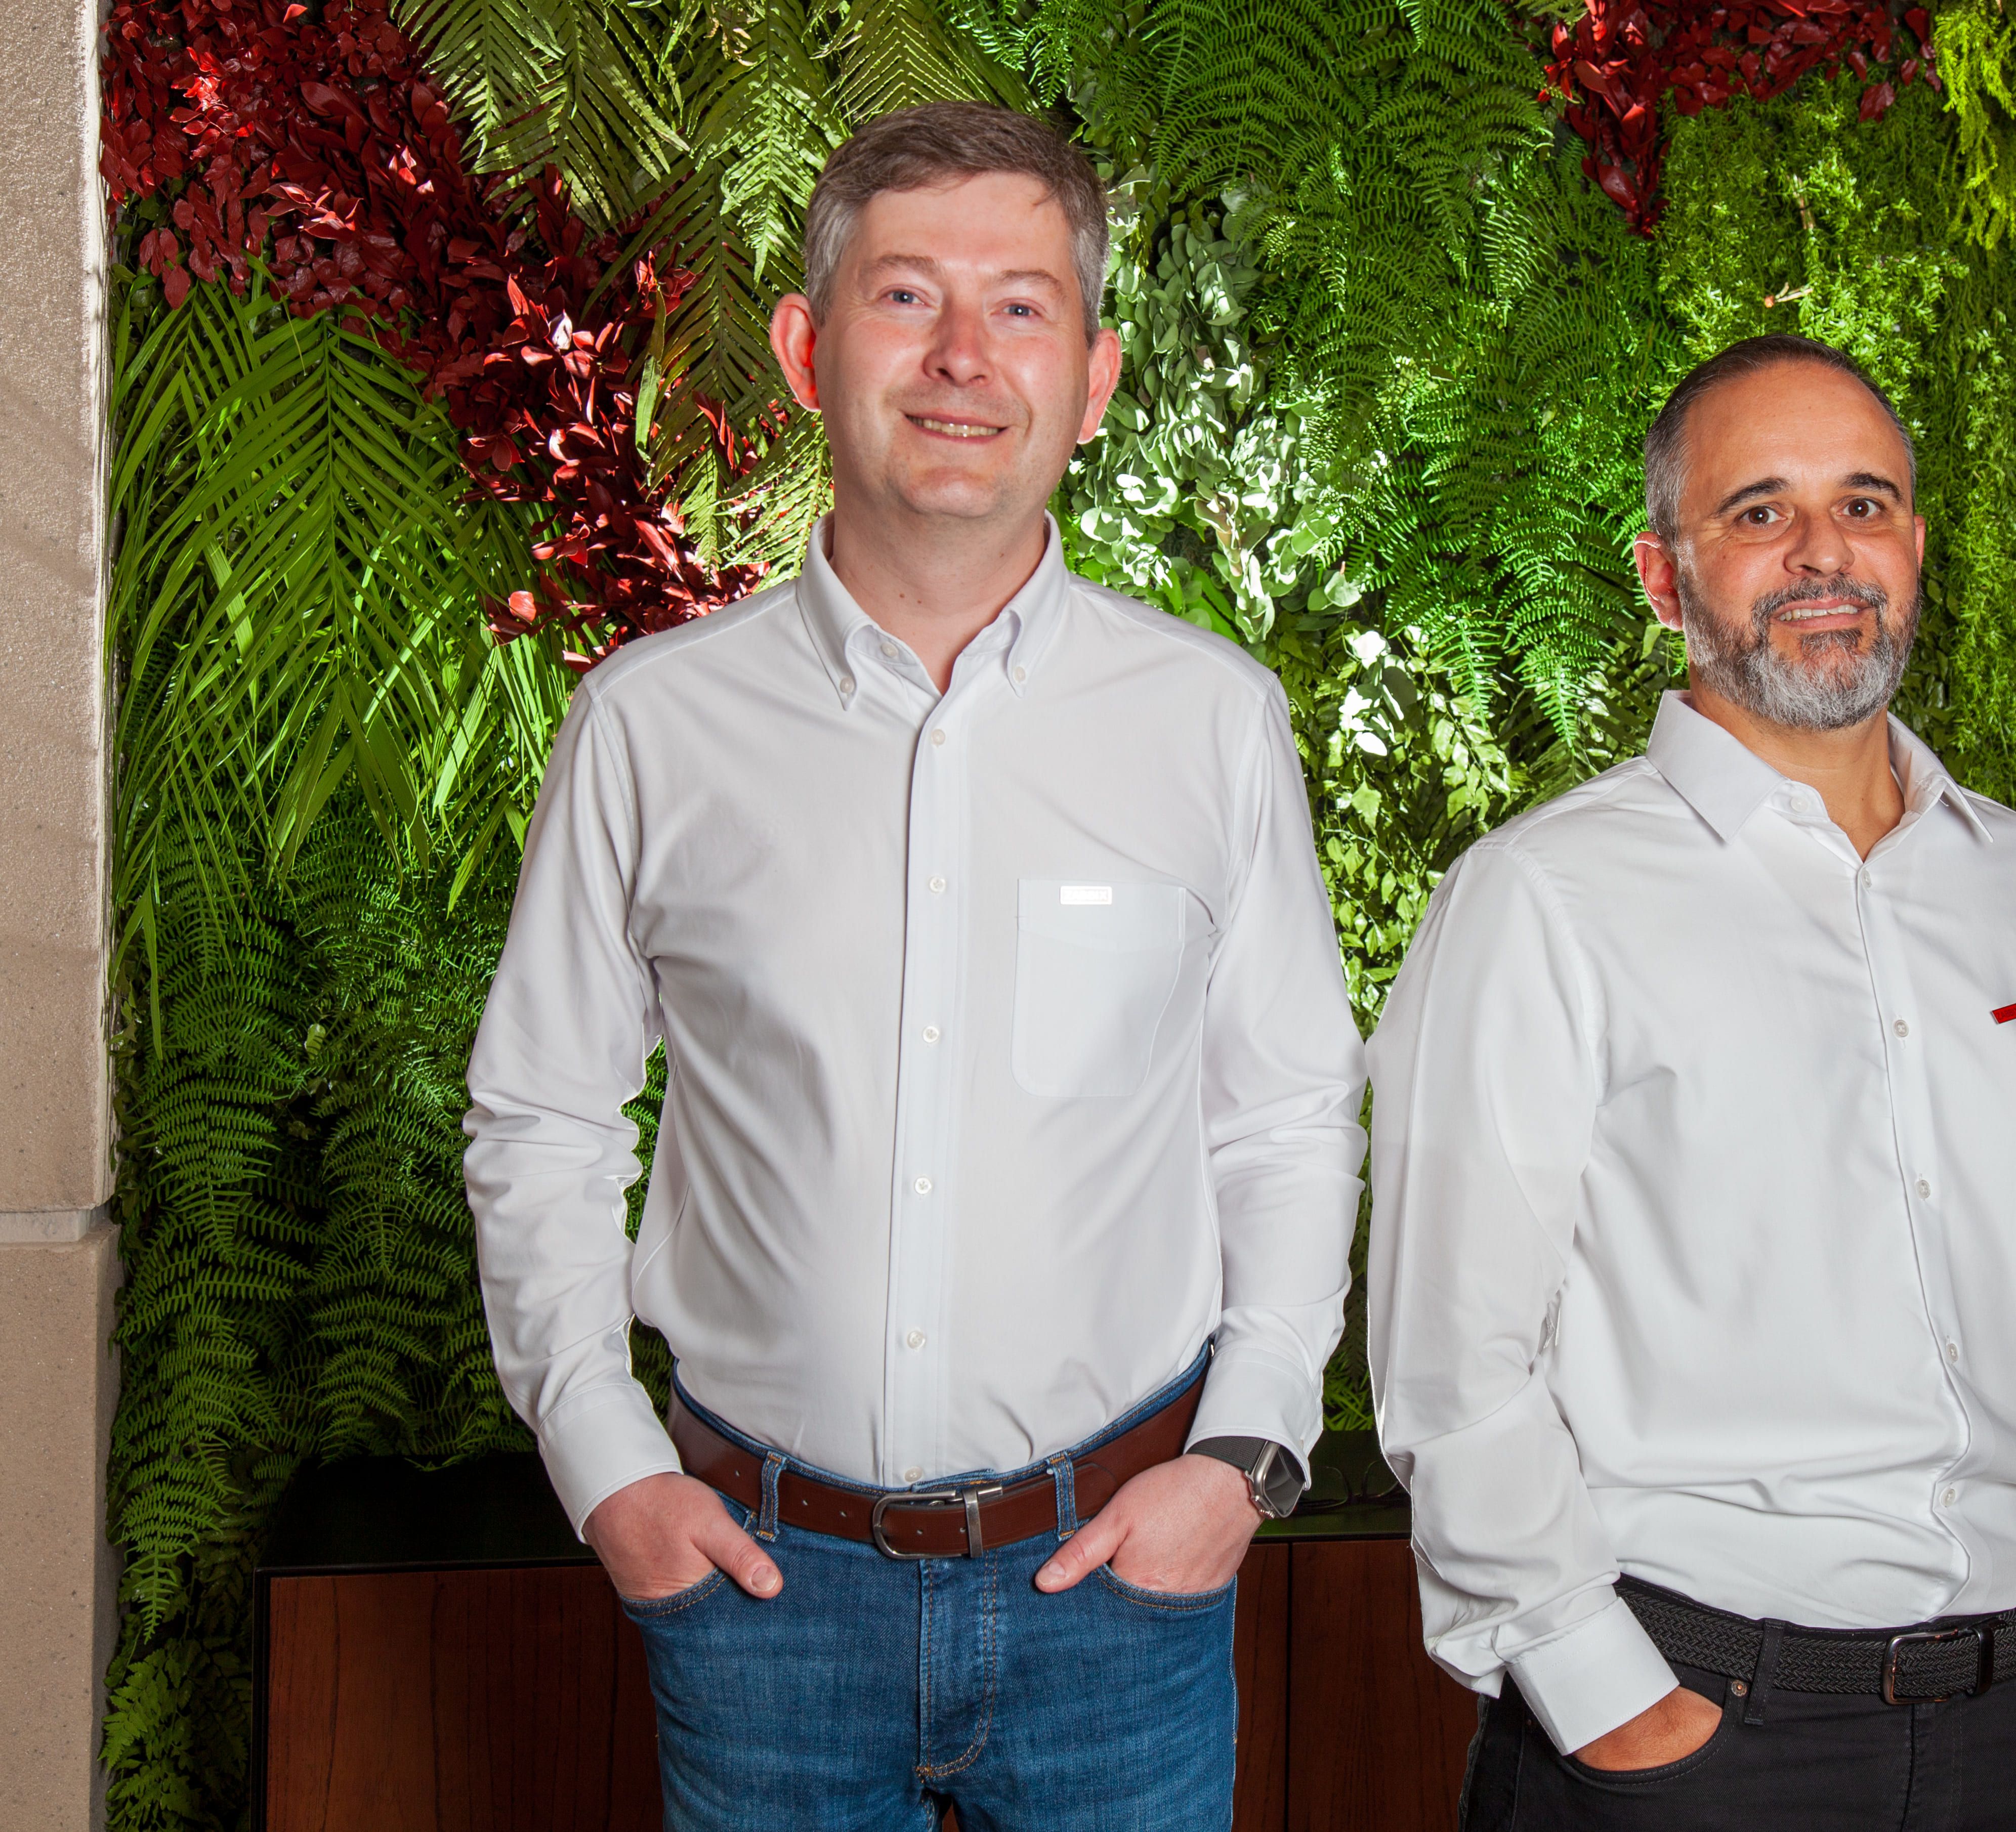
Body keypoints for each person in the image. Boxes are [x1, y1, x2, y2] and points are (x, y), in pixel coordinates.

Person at [465, 102, 1364, 1831]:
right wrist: (607, 1470)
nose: (964, 355)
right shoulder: (649, 727)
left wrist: (1245, 1455)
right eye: (906, 297)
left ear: (1093, 378)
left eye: (1021, 306)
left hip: (1122, 1590)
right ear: (809, 350)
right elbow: (543, 1121)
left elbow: (1286, 1116)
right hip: (758, 1596)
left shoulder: (1212, 722)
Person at [1366, 333, 2016, 1830]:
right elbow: (1456, 1365)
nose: (1826, 552)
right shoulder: (1544, 898)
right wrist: (1607, 1701)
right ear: (1662, 576)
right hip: (1688, 1734)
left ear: (1915, 548)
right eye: (1760, 511)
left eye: (1863, 504)